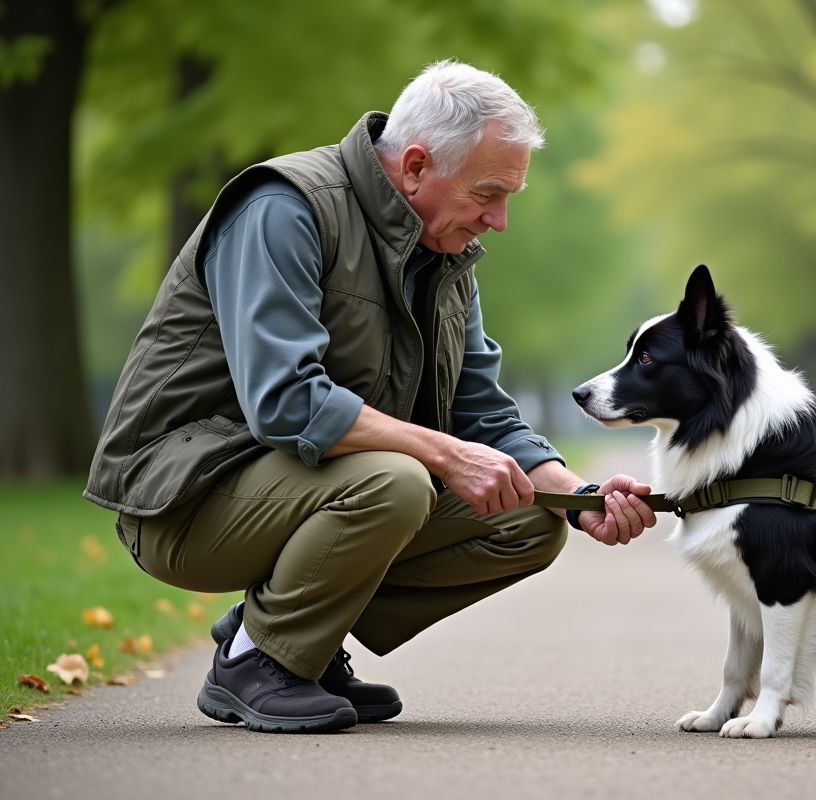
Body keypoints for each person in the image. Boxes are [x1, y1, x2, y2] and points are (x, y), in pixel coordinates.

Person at [84, 61, 656, 734]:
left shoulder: (447, 257)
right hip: (182, 500)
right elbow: (287, 402)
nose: (499, 221)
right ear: (415, 167)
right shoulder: (284, 208)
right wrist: (444, 455)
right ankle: (257, 662)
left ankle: (300, 638)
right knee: (397, 481)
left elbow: (483, 411)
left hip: (307, 486)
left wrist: (580, 496)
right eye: (490, 193)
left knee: (527, 517)